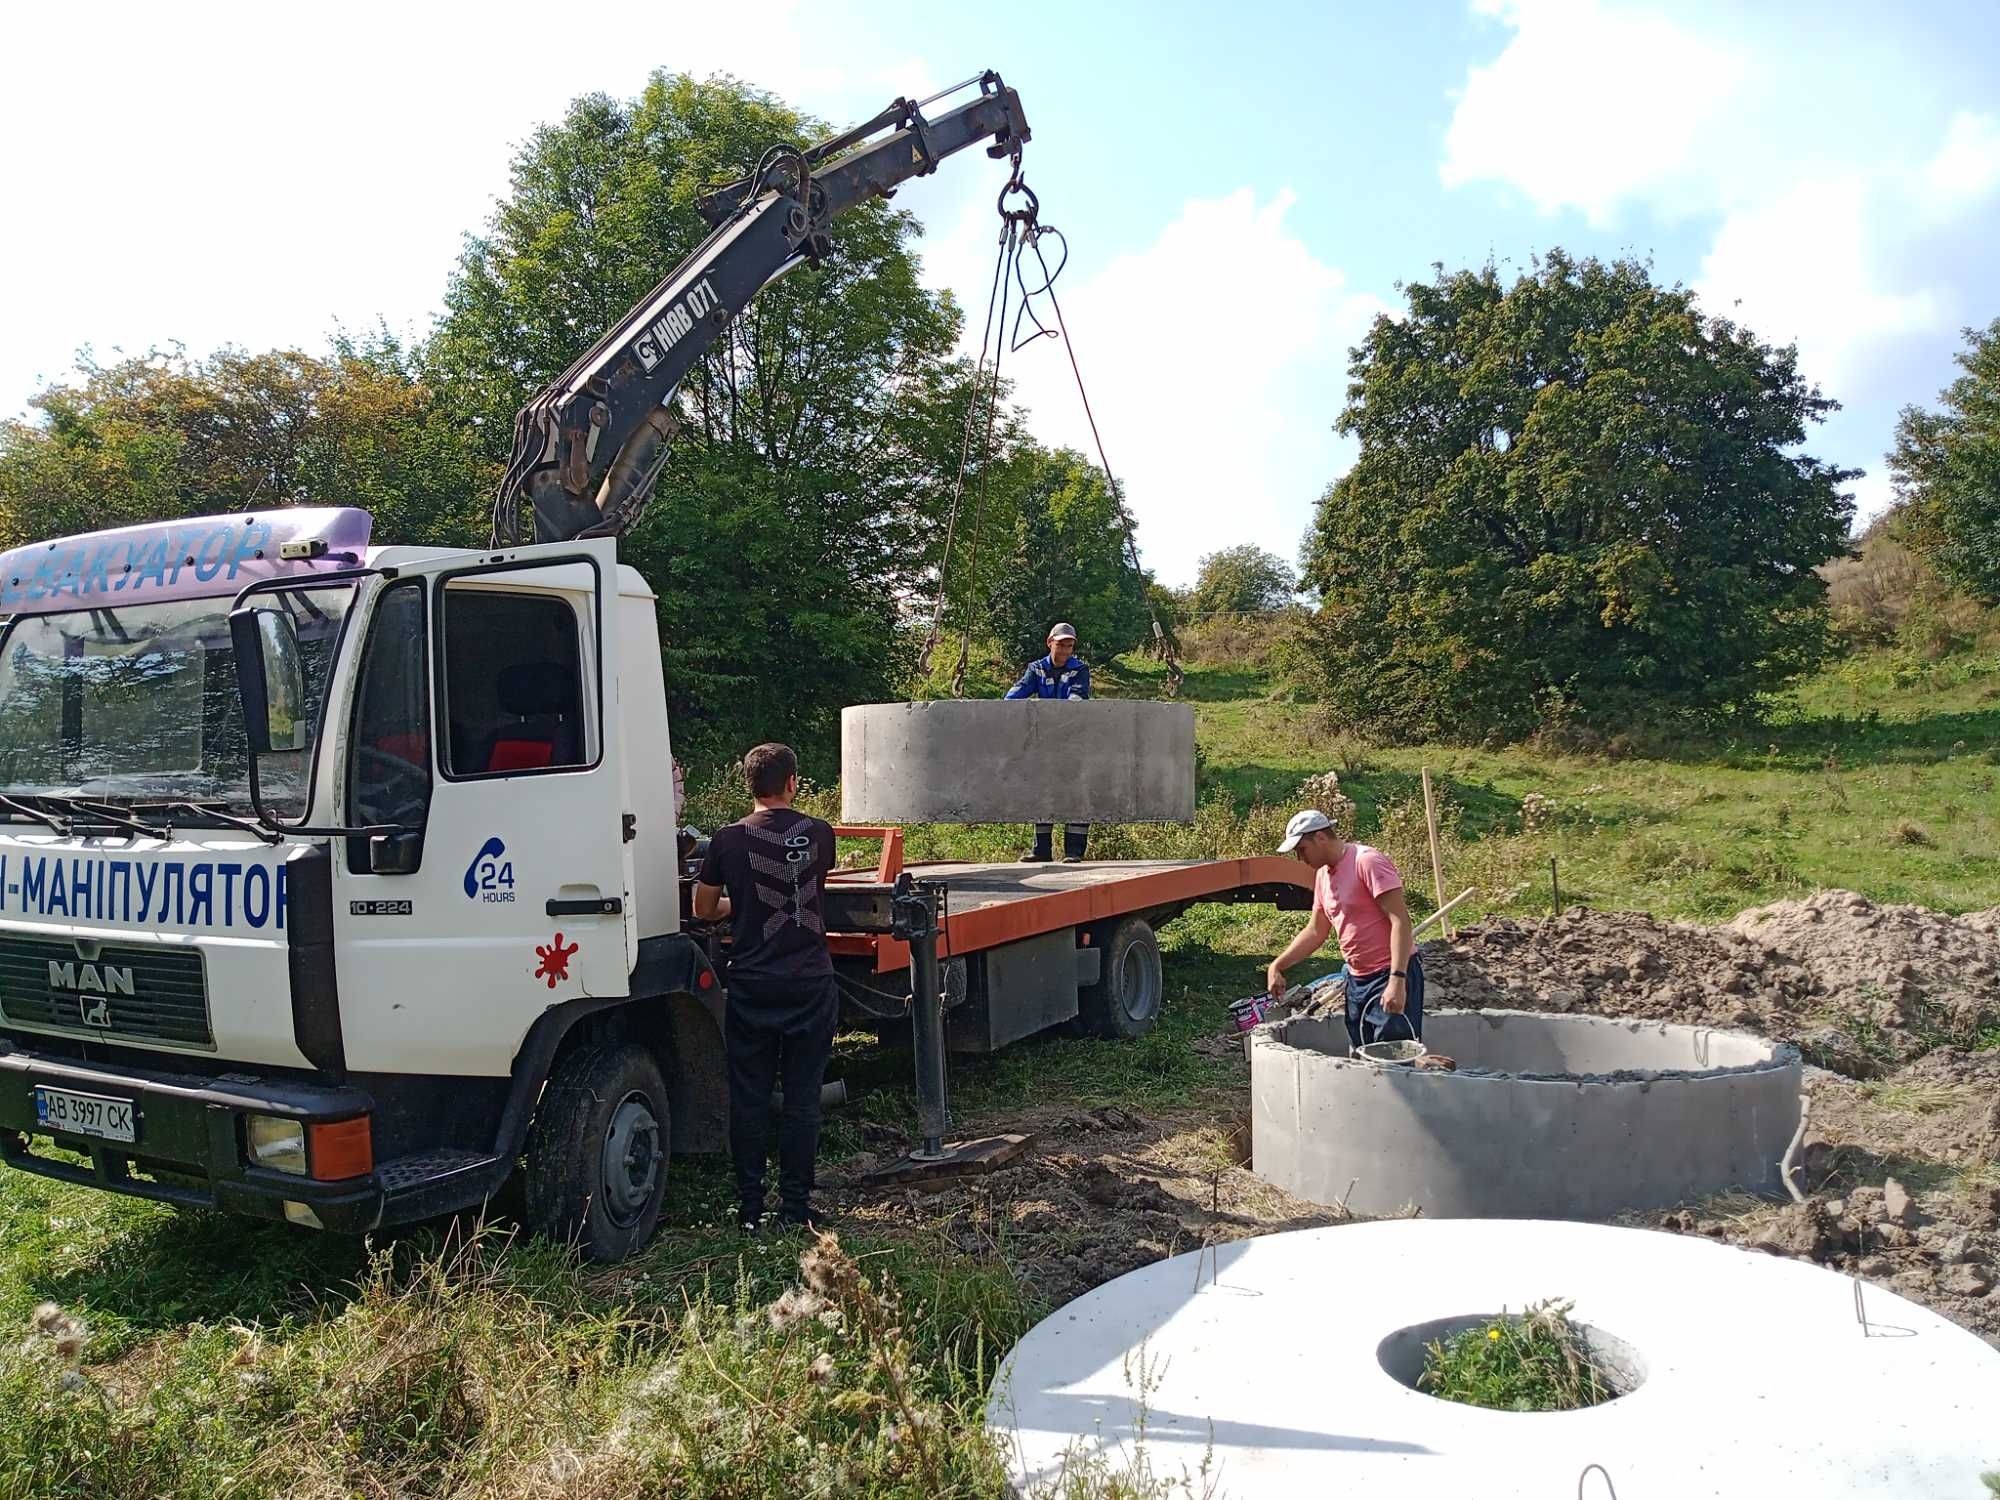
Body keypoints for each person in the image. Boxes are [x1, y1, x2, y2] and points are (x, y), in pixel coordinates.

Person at [692, 743, 839, 1231]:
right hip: (809, 983)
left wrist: (741, 908)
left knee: (750, 1097)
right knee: (802, 1098)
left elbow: (703, 910)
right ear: (793, 782)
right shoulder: (819, 833)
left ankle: (750, 1208)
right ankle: (795, 1209)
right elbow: (813, 888)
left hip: (754, 986)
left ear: (748, 785)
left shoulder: (726, 840)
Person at [1264, 808, 1424, 1051]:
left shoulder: (1366, 862)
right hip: (1357, 980)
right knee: (1363, 1055)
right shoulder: (1322, 877)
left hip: (1389, 974)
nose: (1300, 858)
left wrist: (1397, 980)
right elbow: (1316, 931)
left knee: (1395, 1057)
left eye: (1302, 849)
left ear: (1320, 837)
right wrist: (1278, 965)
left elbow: (1400, 921)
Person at [1004, 621, 1091, 863]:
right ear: (1049, 643)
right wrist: (1003, 710)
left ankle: (1074, 851)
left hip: (1072, 741)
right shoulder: (1037, 669)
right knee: (1043, 792)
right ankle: (1041, 849)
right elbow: (1018, 692)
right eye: (1061, 644)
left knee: (1075, 793)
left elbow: (1078, 697)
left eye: (1069, 646)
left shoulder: (1079, 669)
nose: (1064, 651)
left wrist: (1062, 716)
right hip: (1043, 742)